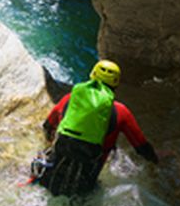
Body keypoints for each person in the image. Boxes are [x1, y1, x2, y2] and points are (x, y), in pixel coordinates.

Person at [35, 59, 158, 197]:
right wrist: (156, 164)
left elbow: (48, 126)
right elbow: (142, 147)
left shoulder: (70, 98)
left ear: (92, 76)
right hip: (88, 176)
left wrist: (48, 144)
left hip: (57, 164)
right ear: (116, 84)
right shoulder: (122, 112)